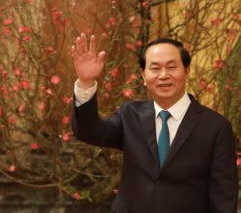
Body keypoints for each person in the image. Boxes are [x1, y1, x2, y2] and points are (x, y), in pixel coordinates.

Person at [70, 34, 238, 213]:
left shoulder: (216, 127)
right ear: (143, 75)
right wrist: (86, 83)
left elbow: (224, 198)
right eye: (155, 68)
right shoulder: (130, 115)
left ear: (187, 71)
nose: (163, 75)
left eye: (172, 67)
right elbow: (89, 131)